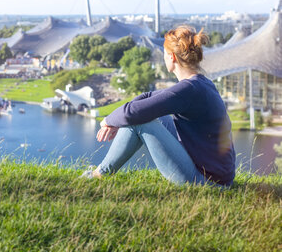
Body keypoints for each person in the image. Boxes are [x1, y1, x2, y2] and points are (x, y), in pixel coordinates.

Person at [82, 26, 235, 187]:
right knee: (148, 114)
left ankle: (100, 174)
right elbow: (148, 98)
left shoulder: (188, 90)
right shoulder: (200, 83)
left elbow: (133, 113)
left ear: (172, 57)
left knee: (140, 121)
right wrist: (117, 120)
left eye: (164, 54)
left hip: (207, 182)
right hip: (216, 177)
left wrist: (107, 121)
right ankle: (102, 170)